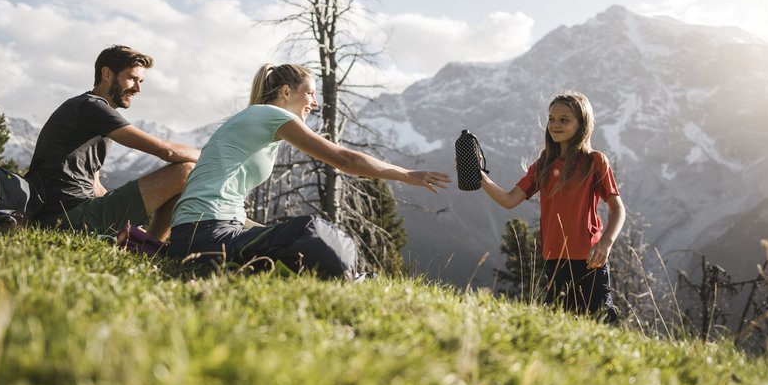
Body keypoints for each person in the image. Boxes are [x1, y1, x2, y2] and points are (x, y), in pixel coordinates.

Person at [167, 63, 451, 275]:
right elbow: (344, 160)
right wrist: (406, 175)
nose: (315, 103)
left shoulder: (257, 119)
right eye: (310, 93)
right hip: (205, 235)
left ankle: (346, 276)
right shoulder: (270, 115)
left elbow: (227, 206)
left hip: (201, 234)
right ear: (286, 92)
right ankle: (349, 277)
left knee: (295, 237)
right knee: (311, 230)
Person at [477, 91, 626, 322]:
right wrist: (478, 175)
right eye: (551, 119)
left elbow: (618, 209)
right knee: (560, 322)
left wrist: (605, 242)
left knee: (601, 321)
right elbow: (509, 200)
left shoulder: (595, 161)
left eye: (564, 120)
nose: (555, 124)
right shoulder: (543, 165)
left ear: (582, 124)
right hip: (554, 260)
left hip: (590, 259)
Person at [27, 45, 200, 239]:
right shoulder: (92, 106)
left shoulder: (87, 110)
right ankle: (150, 245)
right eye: (132, 78)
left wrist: (128, 223)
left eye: (141, 81)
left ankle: (146, 241)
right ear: (107, 74)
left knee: (182, 178)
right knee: (186, 170)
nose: (138, 88)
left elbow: (95, 186)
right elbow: (167, 151)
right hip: (69, 217)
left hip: (67, 213)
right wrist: (212, 157)